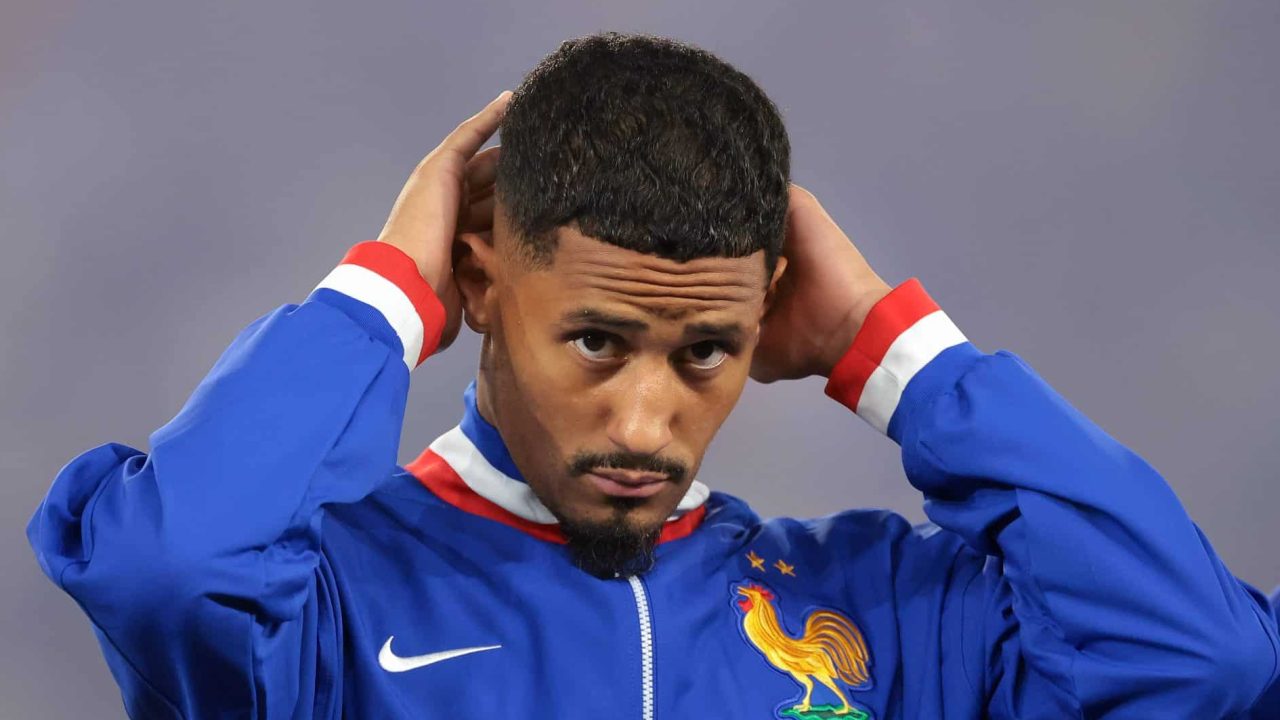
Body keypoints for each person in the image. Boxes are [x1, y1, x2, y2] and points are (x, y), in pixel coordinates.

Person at [27, 32, 1278, 719]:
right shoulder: (324, 608)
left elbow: (1199, 662)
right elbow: (167, 566)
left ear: (768, 317)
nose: (643, 423)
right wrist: (380, 297)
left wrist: (899, 353)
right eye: (595, 342)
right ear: (480, 283)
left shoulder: (885, 619)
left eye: (702, 353)